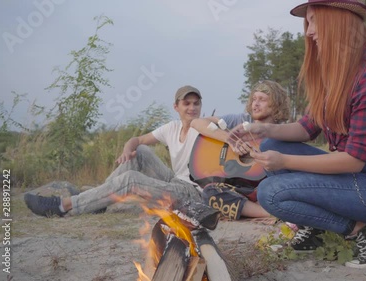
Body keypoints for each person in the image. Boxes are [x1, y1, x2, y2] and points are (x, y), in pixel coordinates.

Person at [228, 0, 366, 269]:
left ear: (337, 22)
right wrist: (261, 129)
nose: (309, 32)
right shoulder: (334, 74)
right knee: (273, 142)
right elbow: (307, 128)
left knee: (271, 194)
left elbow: (353, 160)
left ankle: (363, 230)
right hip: (355, 178)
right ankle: (318, 230)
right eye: (307, 23)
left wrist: (284, 162)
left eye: (314, 21)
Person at [24, 85, 220, 229]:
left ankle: (62, 205)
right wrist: (127, 150)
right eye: (187, 103)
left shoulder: (205, 128)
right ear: (176, 106)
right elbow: (136, 139)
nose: (192, 108)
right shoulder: (172, 128)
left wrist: (215, 121)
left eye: (196, 103)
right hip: (175, 180)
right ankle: (96, 203)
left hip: (192, 192)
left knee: (130, 180)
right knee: (140, 151)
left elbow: (221, 124)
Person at [190, 80, 290, 221]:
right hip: (236, 188)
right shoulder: (241, 120)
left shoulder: (283, 131)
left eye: (262, 100)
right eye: (254, 99)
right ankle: (268, 213)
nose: (255, 104)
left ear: (276, 104)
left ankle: (251, 208)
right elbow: (196, 122)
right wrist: (230, 139)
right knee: (210, 192)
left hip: (263, 188)